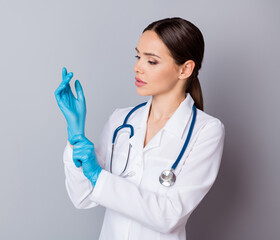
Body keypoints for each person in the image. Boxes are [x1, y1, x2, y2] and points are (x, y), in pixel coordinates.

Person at [54, 17, 225, 240]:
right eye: (138, 56)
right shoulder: (121, 120)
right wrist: (75, 137)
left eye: (151, 61)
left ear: (185, 69)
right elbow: (83, 197)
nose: (137, 67)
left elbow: (169, 216)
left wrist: (99, 176)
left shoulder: (206, 131)